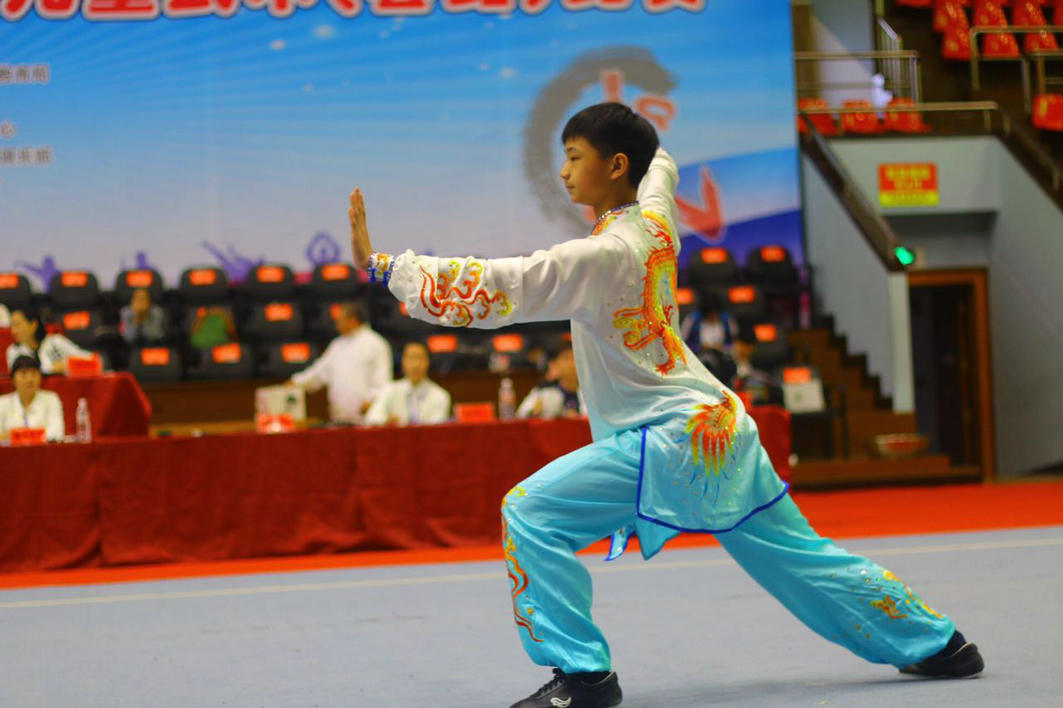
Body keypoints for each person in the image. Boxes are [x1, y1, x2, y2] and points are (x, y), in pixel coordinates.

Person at [348, 103, 982, 708]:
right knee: (801, 559)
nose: (563, 172)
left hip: (672, 439)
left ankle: (584, 676)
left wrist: (385, 267)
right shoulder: (653, 224)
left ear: (616, 165)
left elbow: (503, 284)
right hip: (723, 427)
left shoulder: (603, 254)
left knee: (530, 512)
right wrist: (648, 145)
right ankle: (938, 643)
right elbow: (663, 170)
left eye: (574, 157)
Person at [289, 301, 391, 424]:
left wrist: (371, 400)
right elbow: (319, 372)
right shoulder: (337, 345)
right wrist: (296, 382)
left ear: (352, 320)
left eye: (339, 321)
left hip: (367, 419)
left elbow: (382, 379)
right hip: (339, 419)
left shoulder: (376, 343)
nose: (336, 325)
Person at [365, 341, 451, 426]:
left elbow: (436, 426)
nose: (415, 364)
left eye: (420, 358)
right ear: (403, 361)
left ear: (427, 362)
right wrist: (386, 421)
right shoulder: (389, 389)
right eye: (411, 358)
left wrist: (401, 423)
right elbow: (371, 418)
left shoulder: (440, 395)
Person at [6, 308, 91, 375]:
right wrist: (50, 370)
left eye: (17, 325)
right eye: (12, 326)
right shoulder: (13, 351)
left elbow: (89, 359)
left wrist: (67, 365)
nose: (13, 331)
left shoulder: (55, 342)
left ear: (33, 325)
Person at [0, 355, 64, 442]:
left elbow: (56, 435)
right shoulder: (2, 403)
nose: (30, 379)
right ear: (13, 380)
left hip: (43, 450)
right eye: (23, 374)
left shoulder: (51, 399)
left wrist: (12, 436)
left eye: (34, 374)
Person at [517, 345, 586, 419]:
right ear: (556, 365)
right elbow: (521, 415)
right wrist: (534, 412)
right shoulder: (543, 392)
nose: (571, 365)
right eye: (566, 359)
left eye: (574, 359)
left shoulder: (587, 392)